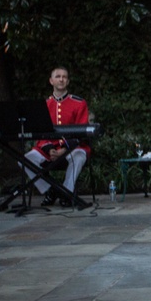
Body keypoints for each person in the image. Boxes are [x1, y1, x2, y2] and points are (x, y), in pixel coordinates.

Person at [22, 67, 91, 205]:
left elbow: (81, 132)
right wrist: (49, 149)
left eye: (64, 77)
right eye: (58, 76)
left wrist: (65, 149)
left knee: (78, 156)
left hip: (73, 148)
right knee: (25, 160)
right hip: (49, 149)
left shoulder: (79, 103)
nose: (61, 79)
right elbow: (40, 133)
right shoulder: (45, 105)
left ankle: (66, 192)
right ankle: (50, 190)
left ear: (68, 81)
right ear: (51, 81)